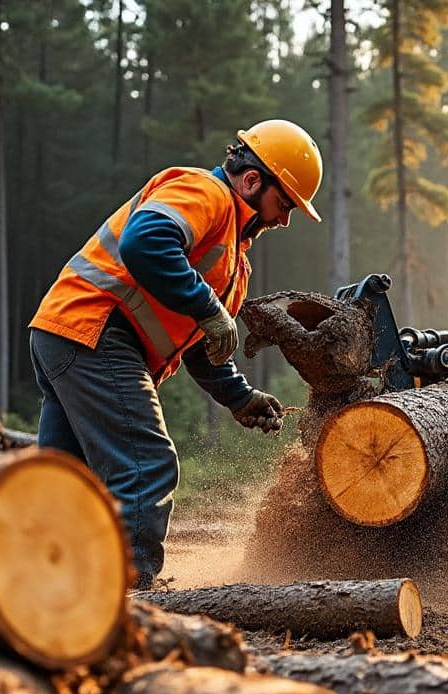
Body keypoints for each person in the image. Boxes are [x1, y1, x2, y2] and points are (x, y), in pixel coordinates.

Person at [29, 119, 322, 588]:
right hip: (96, 329)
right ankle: (129, 597)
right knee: (147, 464)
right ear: (252, 180)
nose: (284, 219)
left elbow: (203, 349)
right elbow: (145, 241)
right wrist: (207, 307)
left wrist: (240, 396)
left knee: (66, 483)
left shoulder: (233, 260)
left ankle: (40, 588)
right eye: (283, 202)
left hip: (68, 333)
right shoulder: (205, 194)